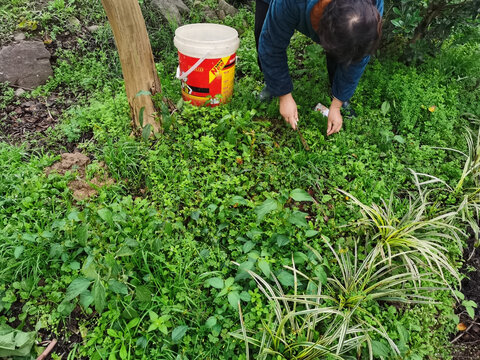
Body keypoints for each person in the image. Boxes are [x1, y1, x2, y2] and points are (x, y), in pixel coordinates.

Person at [255, 0, 383, 135]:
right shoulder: (290, 3)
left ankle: (337, 90)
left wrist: (337, 103)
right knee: (265, 30)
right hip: (285, 4)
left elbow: (358, 58)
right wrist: (284, 95)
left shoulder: (372, 10)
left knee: (347, 46)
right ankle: (272, 84)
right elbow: (272, 46)